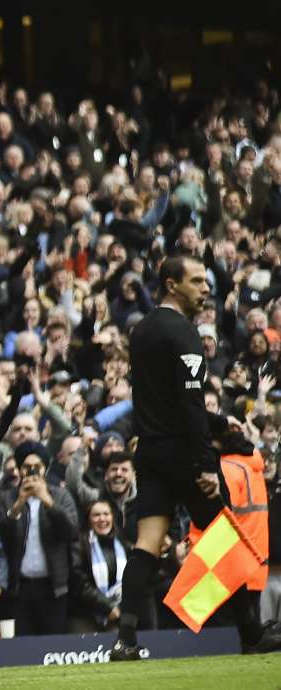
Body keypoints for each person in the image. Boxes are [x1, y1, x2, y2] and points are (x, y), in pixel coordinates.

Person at [111, 255, 281, 659]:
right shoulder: (184, 333)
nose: (205, 288)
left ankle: (125, 640)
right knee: (225, 537)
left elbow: (163, 400)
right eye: (196, 281)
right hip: (185, 453)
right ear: (172, 284)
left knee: (147, 544)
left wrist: (220, 421)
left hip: (150, 451)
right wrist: (206, 463)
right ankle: (252, 633)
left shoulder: (142, 331)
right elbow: (188, 405)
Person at [0, 442, 78, 635]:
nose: (32, 471)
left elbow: (71, 531)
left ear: (45, 468)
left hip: (53, 587)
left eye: (37, 466)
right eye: (26, 466)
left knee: (53, 645)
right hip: (19, 588)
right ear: (19, 469)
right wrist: (17, 506)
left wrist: (47, 501)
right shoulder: (5, 498)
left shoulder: (60, 495)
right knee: (22, 646)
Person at [69, 500, 131, 633]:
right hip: (85, 614)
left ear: (112, 517)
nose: (102, 519)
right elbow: (80, 584)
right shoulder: (79, 544)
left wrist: (117, 608)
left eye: (106, 514)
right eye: (96, 515)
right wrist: (107, 607)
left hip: (117, 613)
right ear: (88, 520)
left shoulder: (122, 544)